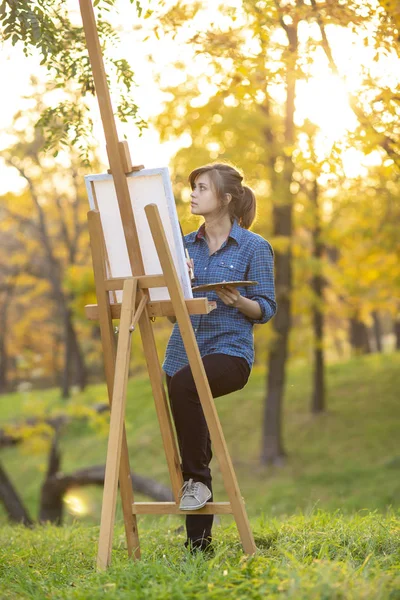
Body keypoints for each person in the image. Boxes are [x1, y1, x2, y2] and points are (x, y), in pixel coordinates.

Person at [163, 163, 276, 552]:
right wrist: (178, 280)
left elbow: (266, 308)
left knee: (187, 384)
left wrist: (238, 299)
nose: (192, 194)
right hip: (182, 352)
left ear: (225, 198)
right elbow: (164, 308)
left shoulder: (254, 246)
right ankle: (199, 544)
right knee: (194, 433)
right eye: (192, 187)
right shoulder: (181, 246)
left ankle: (196, 481)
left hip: (230, 352)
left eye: (202, 188)